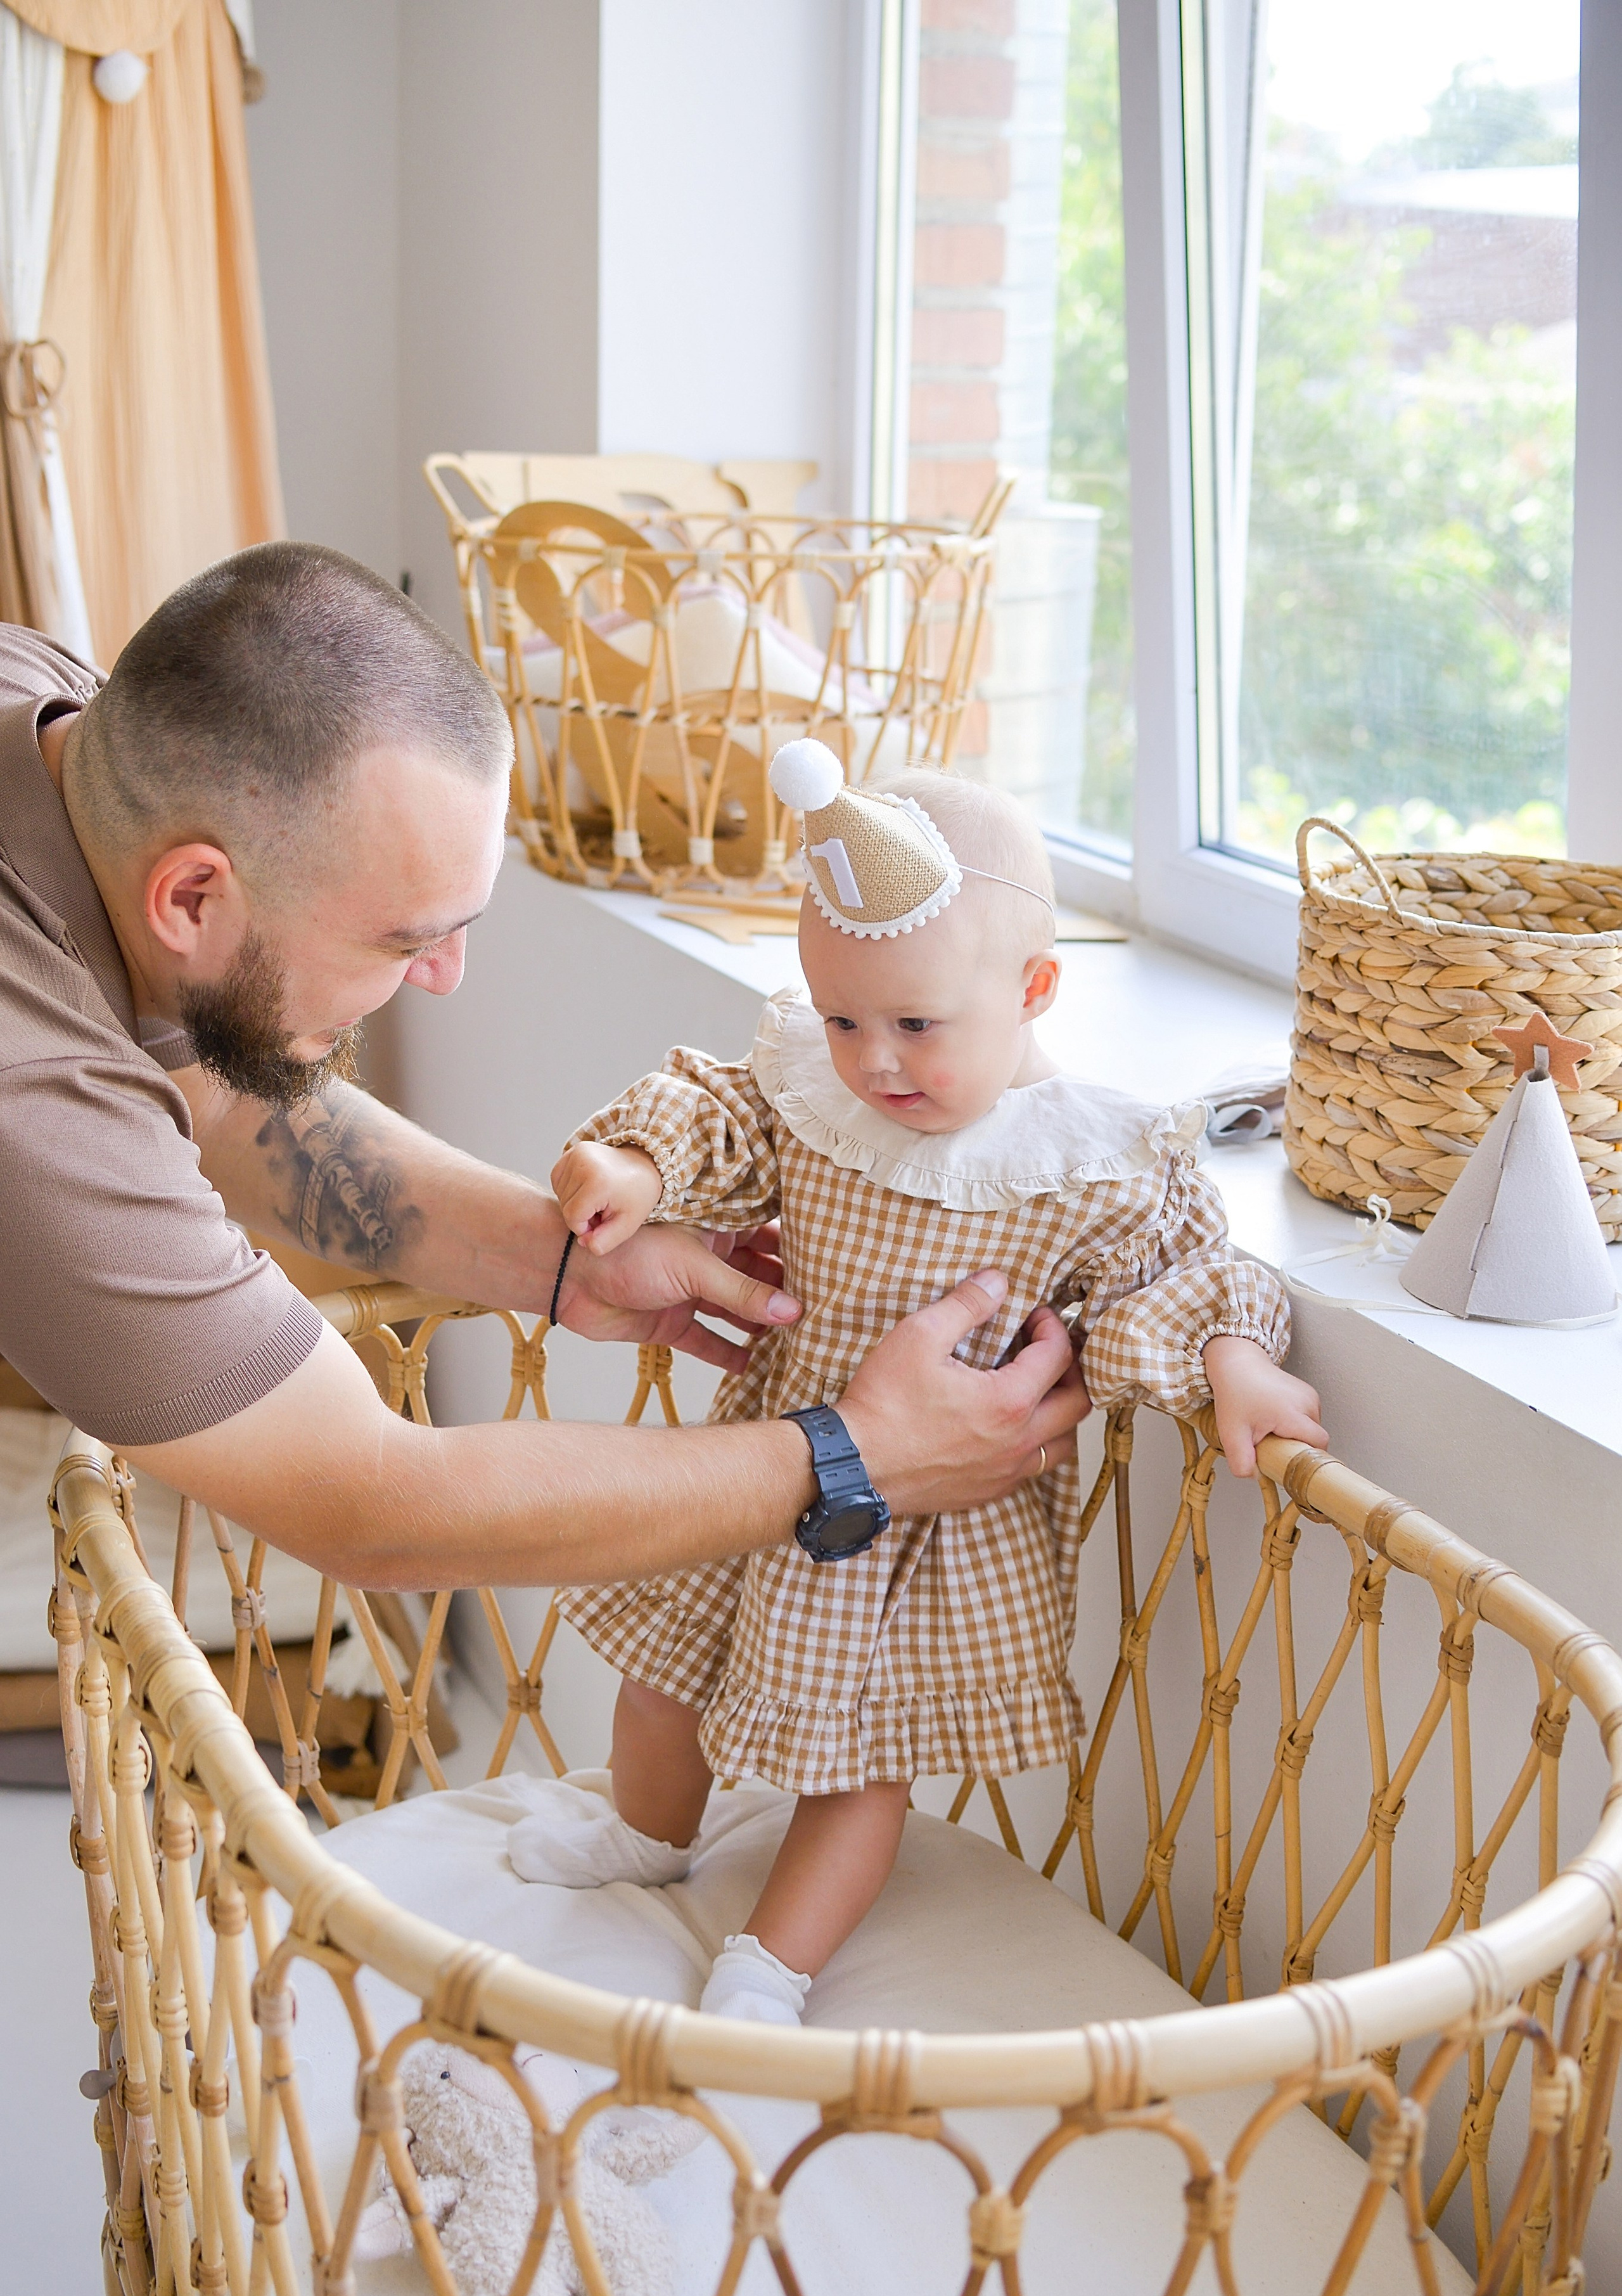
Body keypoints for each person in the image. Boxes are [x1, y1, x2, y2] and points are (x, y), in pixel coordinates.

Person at [0, 545, 1090, 1604]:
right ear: (191, 898)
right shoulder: (30, 1093)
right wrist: (859, 1456)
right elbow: (374, 1505)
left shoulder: (56, 716)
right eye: (402, 939)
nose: (444, 978)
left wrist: (557, 1262)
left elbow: (206, 1103)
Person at [515, 749, 1326, 2023]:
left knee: (861, 1764)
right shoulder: (813, 1101)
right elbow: (719, 1115)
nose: (873, 1061)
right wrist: (630, 1161)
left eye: (913, 1025)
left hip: (929, 1525)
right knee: (661, 1675)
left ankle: (768, 1966)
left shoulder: (1085, 1161)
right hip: (770, 1454)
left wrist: (1226, 1353)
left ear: (1034, 989)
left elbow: (1165, 1275)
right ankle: (647, 1832)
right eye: (841, 1019)